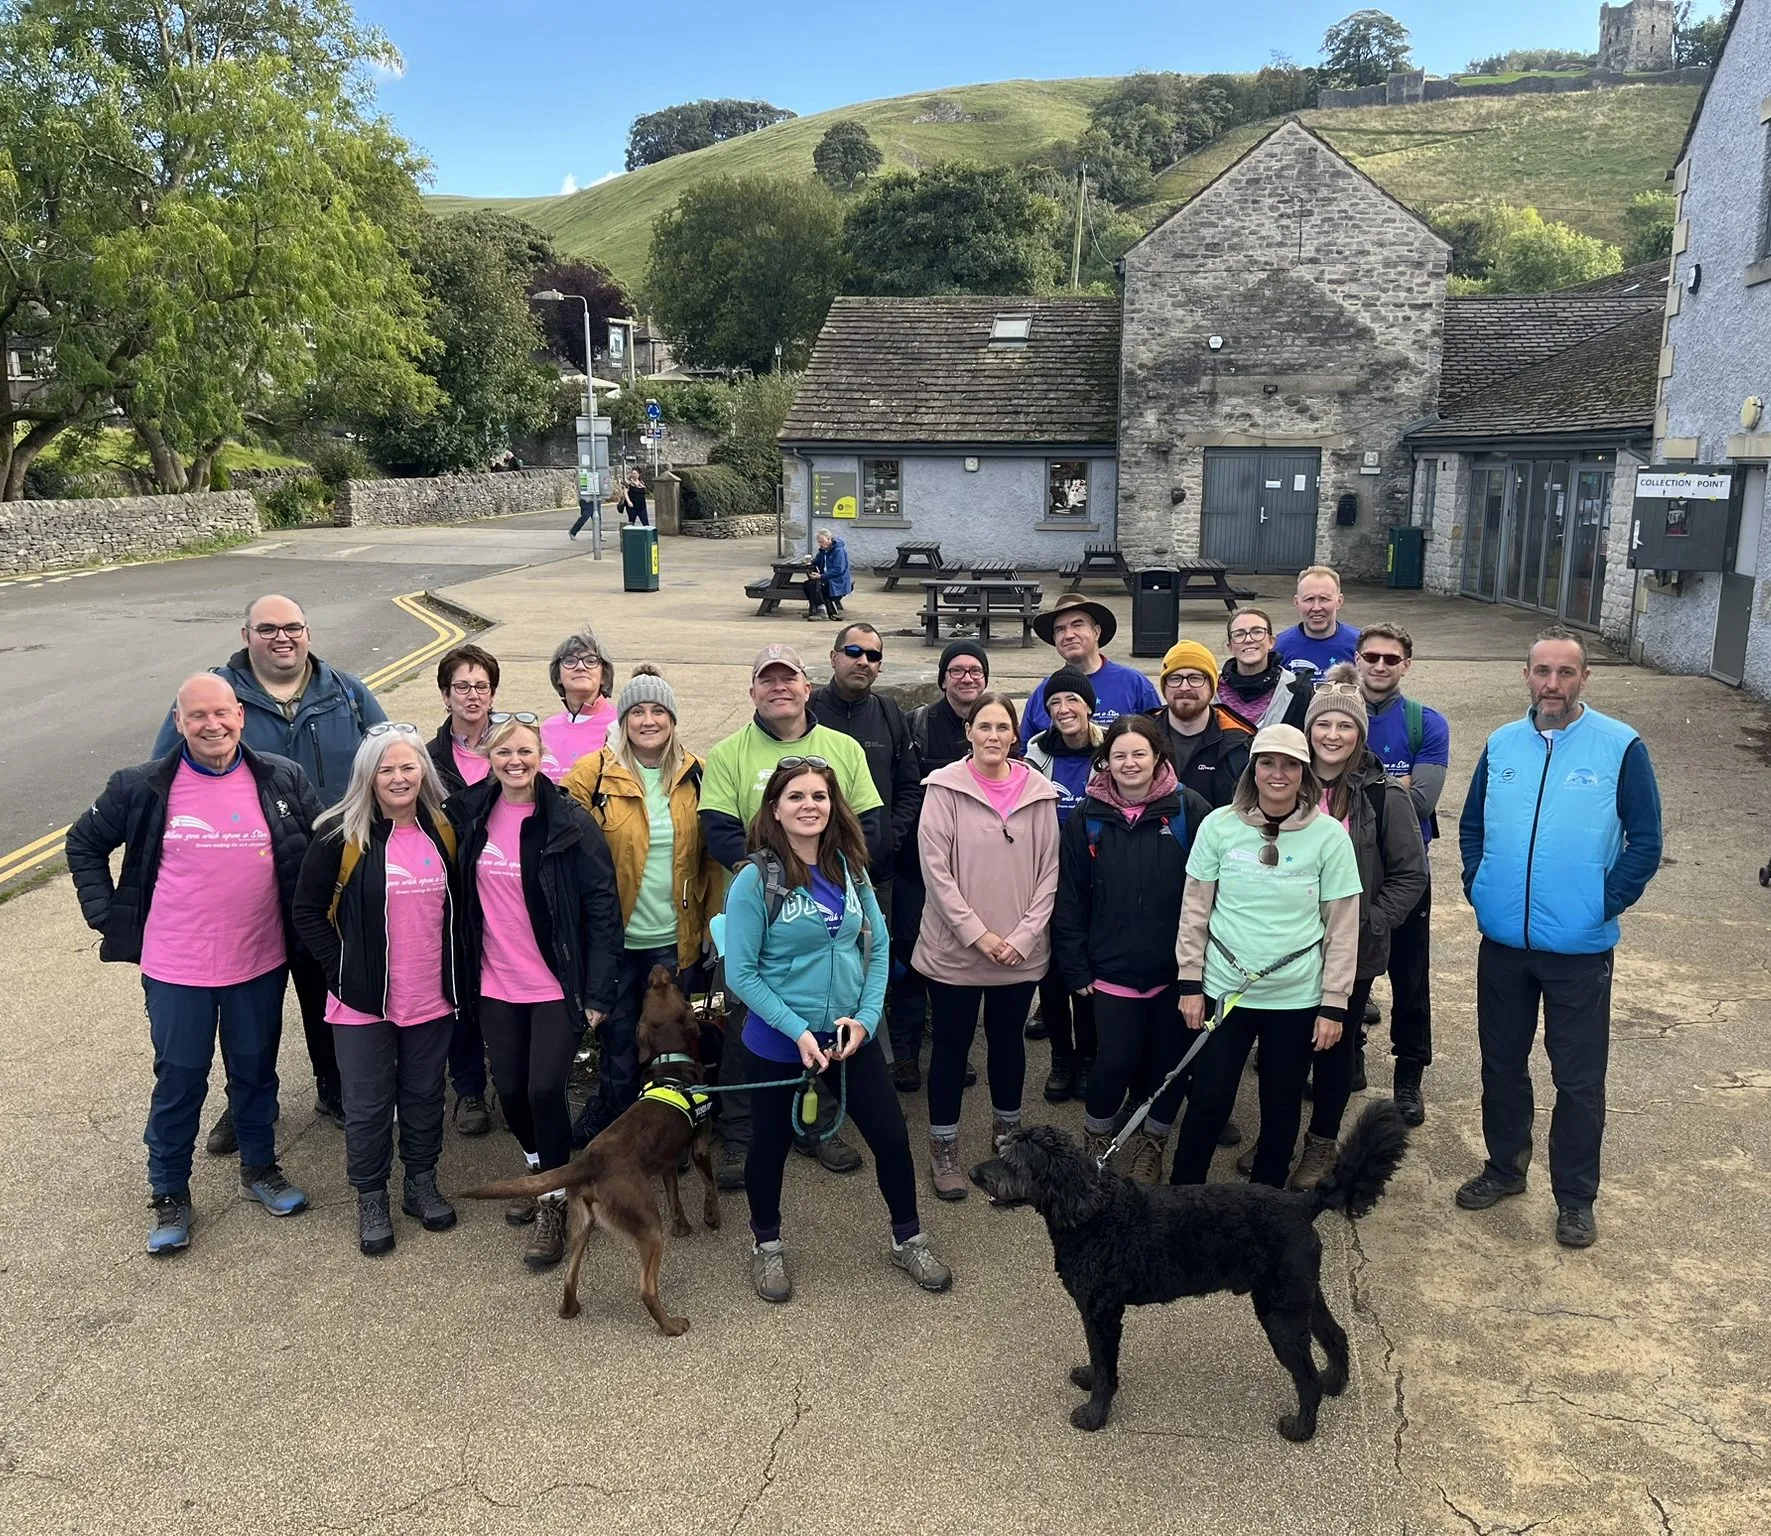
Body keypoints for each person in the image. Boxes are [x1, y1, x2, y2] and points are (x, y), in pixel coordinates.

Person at [69, 675, 320, 1254]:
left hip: (259, 960)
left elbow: (318, 850)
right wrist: (108, 916)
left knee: (255, 1072)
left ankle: (260, 1168)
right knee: (180, 1078)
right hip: (176, 967)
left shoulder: (281, 777)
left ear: (241, 716)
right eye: (198, 715)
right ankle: (169, 1190)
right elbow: (83, 843)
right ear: (179, 722)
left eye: (222, 713)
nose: (213, 725)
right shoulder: (141, 786)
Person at [152, 594, 386, 1148]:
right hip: (246, 888)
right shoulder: (214, 696)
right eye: (268, 629)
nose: (283, 637)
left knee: (327, 985)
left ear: (308, 632)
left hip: (331, 877)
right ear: (246, 635)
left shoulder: (347, 693)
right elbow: (161, 779)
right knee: (247, 1005)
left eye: (293, 627)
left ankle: (334, 1086)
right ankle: (248, 1103)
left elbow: (388, 760)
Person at [1455, 626, 1663, 1250]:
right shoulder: (1501, 743)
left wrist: (1604, 902)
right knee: (1501, 1063)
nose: (1552, 684)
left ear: (1584, 678)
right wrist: (1479, 884)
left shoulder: (1620, 746)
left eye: (1565, 672)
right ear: (1526, 675)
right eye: (1542, 671)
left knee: (1577, 1079)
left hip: (1579, 948)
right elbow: (1471, 826)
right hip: (1504, 944)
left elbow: (1646, 841)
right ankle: (1505, 1168)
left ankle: (1575, 1197)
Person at [724, 759, 952, 1302]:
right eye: (796, 796)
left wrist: (867, 1019)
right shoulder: (755, 879)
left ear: (833, 805)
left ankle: (908, 1239)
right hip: (779, 1043)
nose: (810, 806)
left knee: (891, 1138)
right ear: (775, 809)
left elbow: (878, 947)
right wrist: (797, 1030)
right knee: (769, 1148)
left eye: (819, 796)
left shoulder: (850, 867)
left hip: (849, 1038)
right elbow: (741, 974)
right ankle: (767, 1244)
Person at [699, 645, 882, 1185]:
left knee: (827, 1018)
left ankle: (818, 1125)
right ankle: (740, 1135)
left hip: (834, 903)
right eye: (767, 679)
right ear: (752, 691)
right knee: (748, 1029)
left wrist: (833, 870)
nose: (779, 687)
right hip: (764, 913)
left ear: (807, 686)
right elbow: (718, 830)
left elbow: (868, 823)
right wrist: (777, 875)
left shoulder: (843, 748)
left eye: (789, 678)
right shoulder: (728, 752)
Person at [448, 712, 623, 1270]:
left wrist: (599, 991)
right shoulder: (470, 814)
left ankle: (554, 1199)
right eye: (503, 752)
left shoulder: (569, 821)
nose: (515, 761)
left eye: (524, 751)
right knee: (511, 1091)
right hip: (494, 981)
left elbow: (602, 908)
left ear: (541, 755)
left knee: (545, 1088)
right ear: (489, 759)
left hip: (555, 983)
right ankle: (539, 1169)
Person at [292, 725, 463, 1256]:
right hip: (362, 1001)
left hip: (431, 994)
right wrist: (341, 969)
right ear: (367, 776)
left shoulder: (445, 829)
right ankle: (371, 1196)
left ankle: (420, 1183)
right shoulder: (338, 836)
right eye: (385, 769)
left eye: (408, 767)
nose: (398, 778)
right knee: (367, 1106)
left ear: (423, 773)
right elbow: (307, 911)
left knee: (424, 1096)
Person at [1168, 724, 1363, 1189]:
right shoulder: (1219, 826)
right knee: (1209, 1100)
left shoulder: (1330, 836)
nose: (1278, 773)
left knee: (1281, 1104)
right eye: (1268, 763)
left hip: (1296, 997)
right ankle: (1182, 1197)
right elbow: (1195, 909)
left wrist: (1334, 1004)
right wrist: (1190, 982)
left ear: (1305, 772)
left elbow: (1342, 925)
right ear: (1252, 769)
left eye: (1291, 764)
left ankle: (1267, 1203)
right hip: (1225, 992)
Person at [1283, 673, 1427, 1190]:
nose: (1332, 735)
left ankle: (1321, 1144)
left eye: (1345, 725)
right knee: (1286, 1047)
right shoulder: (1286, 782)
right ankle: (1278, 1136)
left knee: (1335, 1047)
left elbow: (1411, 873)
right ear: (1308, 729)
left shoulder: (1383, 795)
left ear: (1360, 734)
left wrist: (1371, 922)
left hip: (1352, 948)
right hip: (1287, 946)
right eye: (1323, 723)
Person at [1053, 715, 1212, 1182]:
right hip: (1111, 967)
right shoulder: (1087, 817)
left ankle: (1151, 1144)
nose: (1129, 763)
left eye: (1139, 753)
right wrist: (1074, 965)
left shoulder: (1190, 809)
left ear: (1158, 756)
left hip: (1175, 970)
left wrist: (1202, 966)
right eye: (1118, 755)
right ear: (1105, 761)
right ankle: (1096, 1139)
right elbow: (1070, 895)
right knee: (1115, 1061)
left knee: (1169, 1066)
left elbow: (1213, 889)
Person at [562, 665, 717, 1145]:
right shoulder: (592, 774)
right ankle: (615, 1120)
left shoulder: (697, 774)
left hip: (674, 940)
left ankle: (673, 1127)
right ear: (623, 718)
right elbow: (567, 856)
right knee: (618, 1040)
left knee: (672, 1046)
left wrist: (712, 926)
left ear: (672, 718)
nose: (648, 721)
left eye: (658, 711)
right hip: (614, 941)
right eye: (637, 712)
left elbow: (711, 859)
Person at [915, 692, 1060, 1200]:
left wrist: (1021, 937)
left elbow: (1049, 873)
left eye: (1003, 727)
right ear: (969, 732)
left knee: (1008, 1044)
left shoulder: (1040, 794)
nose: (993, 736)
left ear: (1015, 735)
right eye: (984, 726)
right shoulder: (943, 789)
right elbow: (936, 873)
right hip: (955, 952)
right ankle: (944, 1147)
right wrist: (978, 935)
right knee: (951, 1048)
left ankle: (1008, 1141)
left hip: (1018, 953)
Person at [1354, 621, 1450, 1125]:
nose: (1380, 665)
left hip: (1407, 869)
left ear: (1406, 665)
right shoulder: (1335, 715)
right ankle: (1347, 1057)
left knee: (1410, 977)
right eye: (1371, 656)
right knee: (1347, 971)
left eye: (1391, 659)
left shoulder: (1425, 723)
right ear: (1357, 658)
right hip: (1349, 865)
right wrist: (1397, 784)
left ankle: (1409, 1074)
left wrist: (1370, 791)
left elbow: (1423, 802)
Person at [894, 641, 990, 1091]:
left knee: (962, 965)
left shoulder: (993, 725)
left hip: (972, 871)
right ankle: (906, 1054)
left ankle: (954, 1051)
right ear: (943, 678)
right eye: (957, 670)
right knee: (911, 961)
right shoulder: (918, 724)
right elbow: (904, 790)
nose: (967, 677)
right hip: (917, 868)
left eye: (975, 671)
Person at [426, 643, 500, 1136]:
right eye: (462, 687)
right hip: (449, 892)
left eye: (481, 686)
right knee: (458, 989)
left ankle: (512, 1083)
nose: (472, 695)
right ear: (445, 694)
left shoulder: (512, 747)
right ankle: (469, 1088)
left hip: (504, 889)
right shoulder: (427, 758)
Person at [1024, 667, 1104, 1102]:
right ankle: (1062, 1056)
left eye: (1072, 699)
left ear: (1089, 705)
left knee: (1086, 971)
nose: (1063, 708)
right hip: (1046, 878)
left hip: (1095, 878)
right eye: (1054, 702)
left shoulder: (1111, 751)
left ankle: (1089, 1056)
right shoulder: (1035, 754)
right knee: (1051, 973)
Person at [1022, 594, 1160, 740]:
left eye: (1077, 625)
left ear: (1096, 632)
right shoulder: (1043, 692)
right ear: (1055, 639)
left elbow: (1160, 740)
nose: (1069, 635)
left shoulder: (1134, 683)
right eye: (1060, 629)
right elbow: (1024, 749)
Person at [1149, 640, 1252, 810]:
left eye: (1195, 678)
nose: (1184, 687)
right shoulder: (1142, 737)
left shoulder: (1240, 744)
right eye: (1175, 678)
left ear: (1212, 685)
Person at [539, 628, 618, 782]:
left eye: (591, 661)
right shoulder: (546, 729)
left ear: (603, 675)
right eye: (570, 661)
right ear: (558, 676)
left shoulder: (620, 725)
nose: (580, 667)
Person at [1216, 608, 1313, 733]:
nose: (1248, 639)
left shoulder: (1297, 690)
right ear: (1230, 647)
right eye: (1239, 634)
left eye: (1257, 632)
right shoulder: (1211, 688)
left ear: (1271, 641)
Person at [1274, 566, 1360, 675]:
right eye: (1309, 599)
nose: (1316, 608)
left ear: (1339, 601)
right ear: (1297, 602)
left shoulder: (1360, 645)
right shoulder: (1278, 648)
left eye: (1324, 599)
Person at [804, 530, 853, 621]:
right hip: (827, 578)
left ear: (829, 539)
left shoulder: (839, 551)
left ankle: (822, 611)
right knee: (807, 585)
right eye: (819, 542)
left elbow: (838, 570)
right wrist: (810, 562)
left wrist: (821, 576)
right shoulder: (823, 551)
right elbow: (817, 561)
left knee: (816, 585)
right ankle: (817, 610)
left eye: (822, 542)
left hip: (837, 581)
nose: (820, 544)